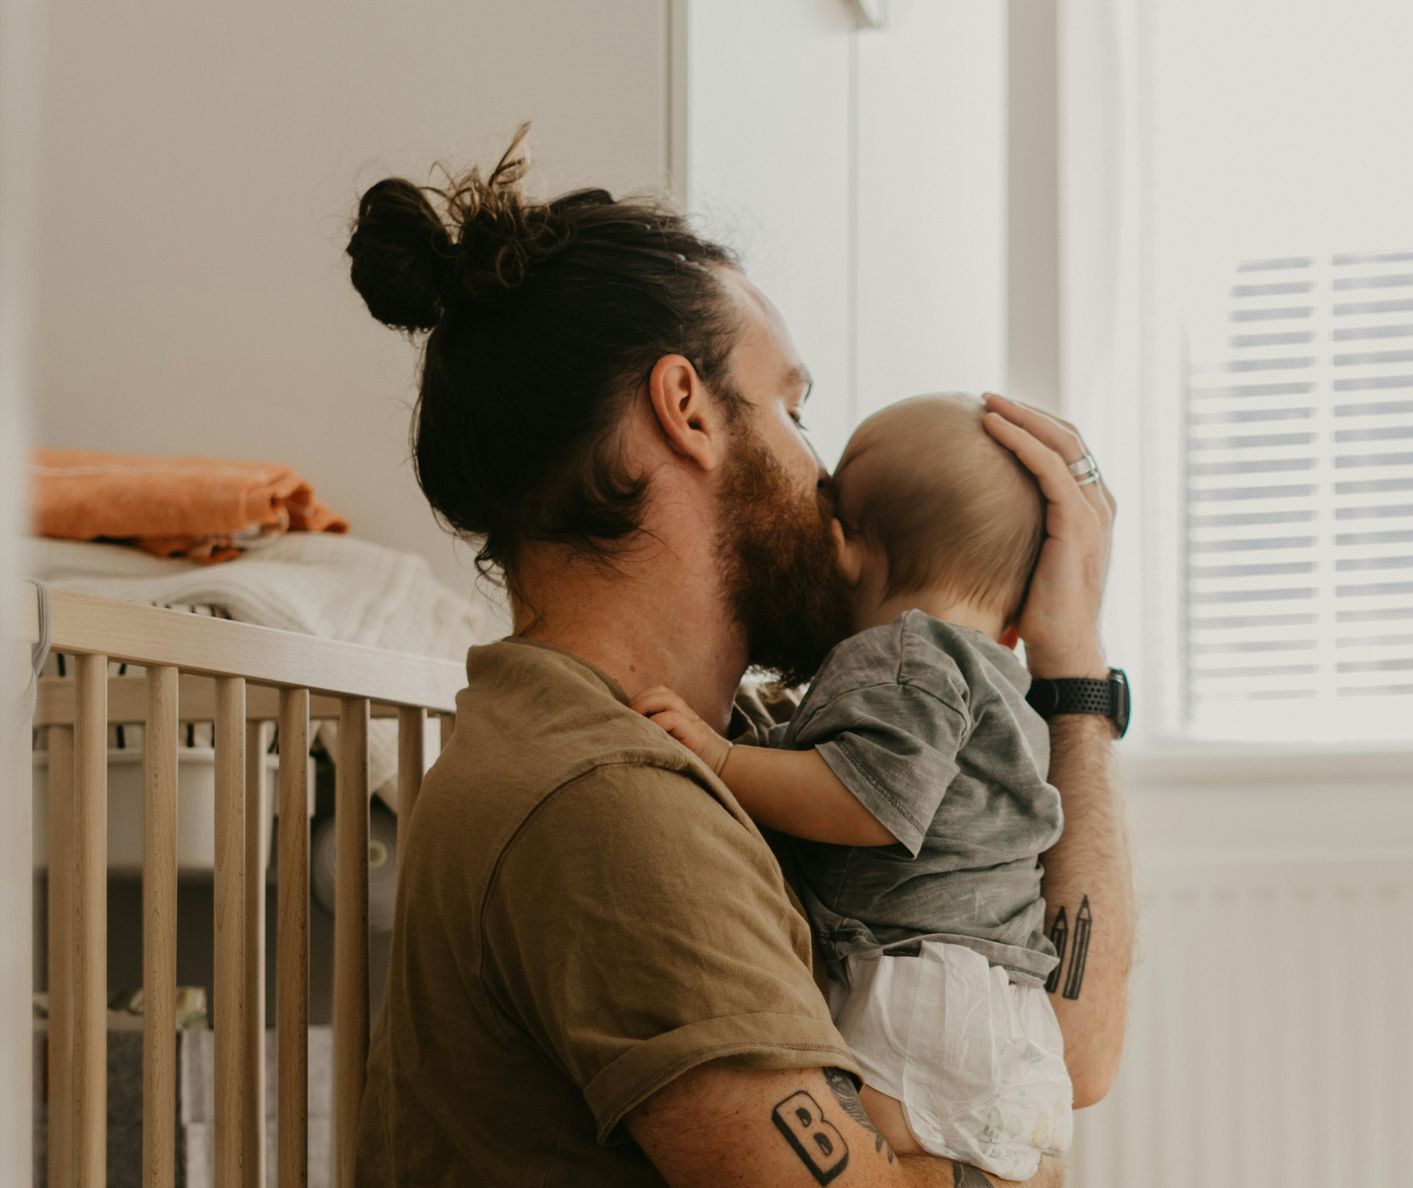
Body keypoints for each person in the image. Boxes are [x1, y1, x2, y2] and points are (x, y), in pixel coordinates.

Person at [346, 127, 1131, 1188]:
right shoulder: (609, 804)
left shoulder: (747, 748)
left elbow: (1076, 1054)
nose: (823, 473)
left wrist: (1073, 676)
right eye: (795, 410)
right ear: (687, 410)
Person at [629, 393, 1073, 1182]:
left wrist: (724, 759)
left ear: (846, 548)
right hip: (1004, 1007)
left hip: (916, 987)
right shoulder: (1001, 678)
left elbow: (869, 801)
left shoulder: (905, 652)